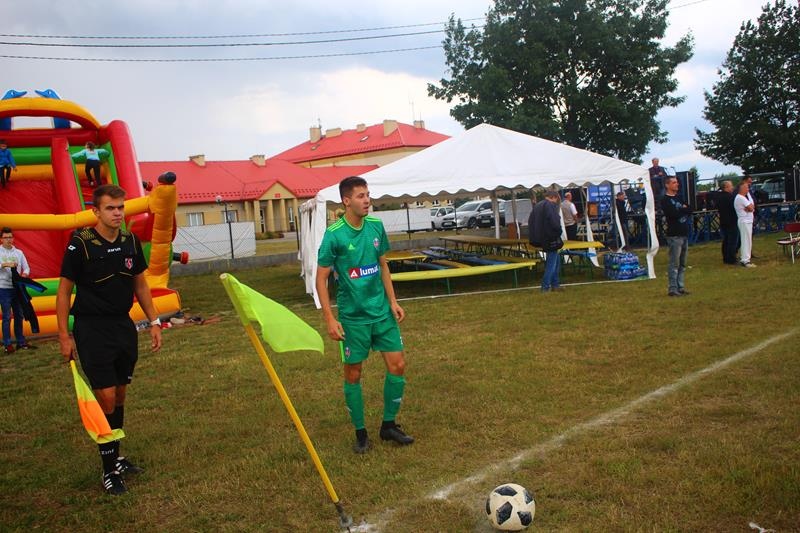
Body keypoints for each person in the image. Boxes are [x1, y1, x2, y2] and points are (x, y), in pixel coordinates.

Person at [56, 184, 163, 495]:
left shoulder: (130, 241)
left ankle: (116, 456)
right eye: (110, 208)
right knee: (105, 396)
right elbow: (63, 293)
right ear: (96, 212)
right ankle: (109, 470)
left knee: (119, 396)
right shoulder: (81, 243)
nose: (117, 213)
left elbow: (140, 285)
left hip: (122, 326)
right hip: (91, 328)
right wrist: (64, 335)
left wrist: (154, 321)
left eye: (120, 208)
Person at [315, 176, 413, 454]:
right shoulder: (334, 235)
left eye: (368, 194)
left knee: (398, 366)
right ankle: (360, 433)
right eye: (361, 196)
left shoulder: (376, 226)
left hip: (381, 313)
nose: (367, 200)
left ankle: (388, 425)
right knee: (353, 373)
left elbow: (383, 265)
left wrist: (393, 301)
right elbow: (321, 279)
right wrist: (330, 318)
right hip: (353, 318)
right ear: (346, 201)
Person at [0, 228, 33, 353]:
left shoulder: (19, 252)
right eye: (6, 237)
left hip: (17, 288)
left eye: (10, 237)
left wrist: (24, 275)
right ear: (1, 239)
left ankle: (20, 341)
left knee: (19, 315)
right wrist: (4, 264)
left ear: (13, 238)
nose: (8, 240)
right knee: (7, 316)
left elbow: (27, 268)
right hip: (3, 288)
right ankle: (7, 344)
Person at [659, 176, 692, 297]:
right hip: (674, 234)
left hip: (684, 232)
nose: (676, 184)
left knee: (683, 263)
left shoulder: (679, 197)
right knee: (674, 262)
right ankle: (672, 288)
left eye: (677, 182)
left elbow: (690, 209)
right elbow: (672, 214)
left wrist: (683, 209)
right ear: (667, 185)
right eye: (673, 182)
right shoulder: (665, 200)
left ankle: (680, 286)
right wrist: (683, 209)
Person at [529, 190, 564, 292]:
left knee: (555, 261)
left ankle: (555, 284)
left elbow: (531, 221)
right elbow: (555, 222)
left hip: (541, 237)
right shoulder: (550, 205)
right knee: (551, 264)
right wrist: (559, 231)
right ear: (554, 197)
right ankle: (545, 286)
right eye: (557, 199)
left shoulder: (538, 206)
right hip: (550, 238)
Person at [715, 180, 738, 265]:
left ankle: (725, 257)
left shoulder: (719, 197)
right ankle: (731, 258)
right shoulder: (730, 197)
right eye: (731, 186)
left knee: (726, 240)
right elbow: (734, 208)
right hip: (732, 221)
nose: (732, 187)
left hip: (723, 221)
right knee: (732, 241)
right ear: (726, 187)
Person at [734, 181, 756, 267]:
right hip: (745, 221)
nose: (748, 189)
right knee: (746, 241)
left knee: (747, 240)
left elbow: (752, 206)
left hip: (747, 221)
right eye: (746, 188)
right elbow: (751, 207)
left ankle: (745, 258)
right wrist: (750, 208)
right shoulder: (741, 198)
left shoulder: (743, 197)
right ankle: (745, 260)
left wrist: (750, 208)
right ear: (741, 188)